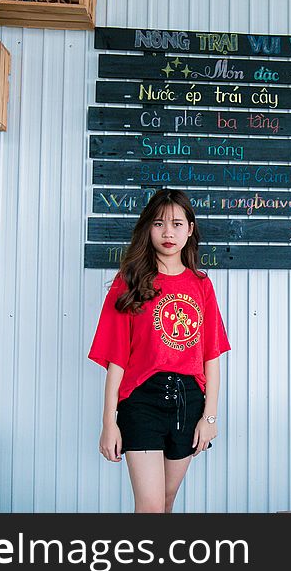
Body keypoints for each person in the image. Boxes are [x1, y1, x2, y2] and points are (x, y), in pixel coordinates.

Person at [88, 188, 230, 513]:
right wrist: (109, 422)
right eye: (159, 224)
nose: (168, 232)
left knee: (165, 504)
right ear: (147, 229)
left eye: (177, 224)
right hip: (141, 402)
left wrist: (210, 417)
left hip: (188, 403)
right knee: (149, 506)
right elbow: (116, 360)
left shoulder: (201, 285)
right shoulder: (129, 281)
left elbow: (212, 357)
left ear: (190, 229)